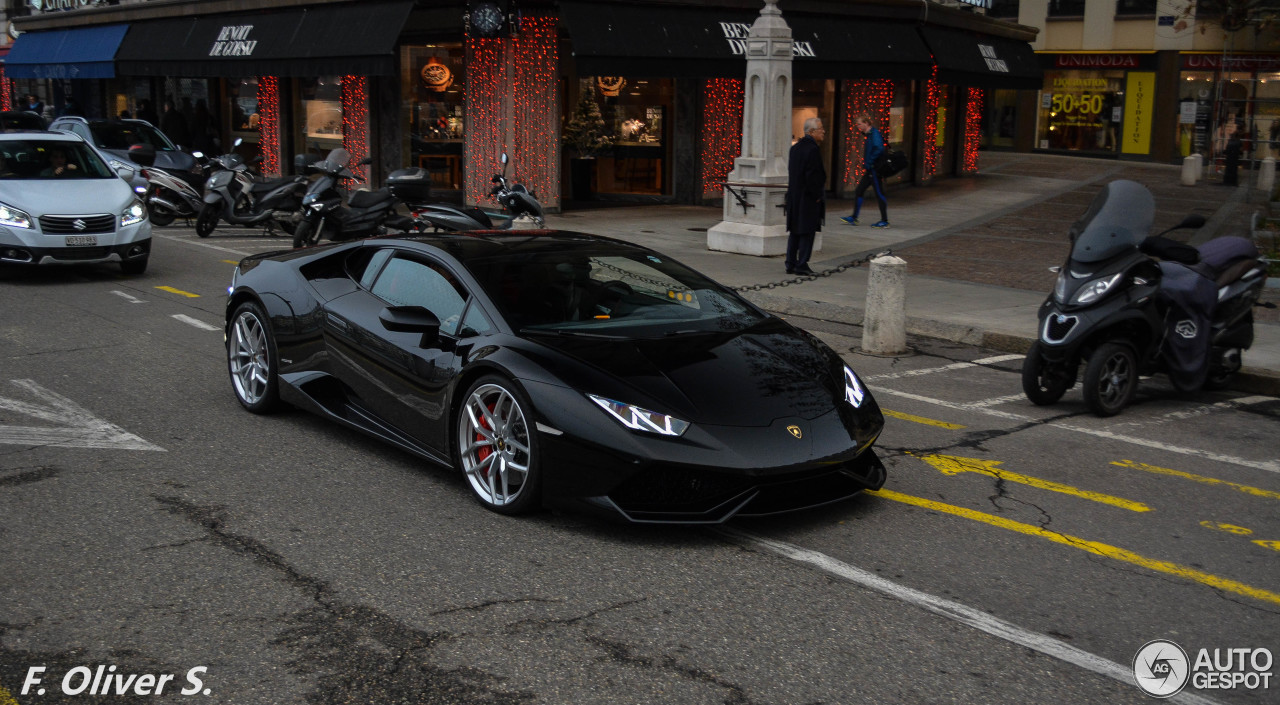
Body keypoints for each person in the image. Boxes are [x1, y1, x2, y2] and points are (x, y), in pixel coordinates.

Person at [785, 117, 826, 276]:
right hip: (808, 197)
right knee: (807, 231)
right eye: (820, 128)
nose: (823, 131)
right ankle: (802, 263)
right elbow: (813, 176)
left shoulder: (795, 148)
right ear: (811, 131)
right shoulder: (812, 149)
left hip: (795, 196)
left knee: (795, 230)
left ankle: (790, 262)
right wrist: (817, 195)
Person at [842, 114, 890, 229]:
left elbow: (879, 148)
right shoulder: (869, 135)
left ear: (866, 123)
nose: (857, 126)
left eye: (859, 124)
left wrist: (870, 162)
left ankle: (885, 221)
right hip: (870, 169)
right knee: (859, 190)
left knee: (879, 193)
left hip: (874, 169)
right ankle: (854, 217)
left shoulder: (874, 133)